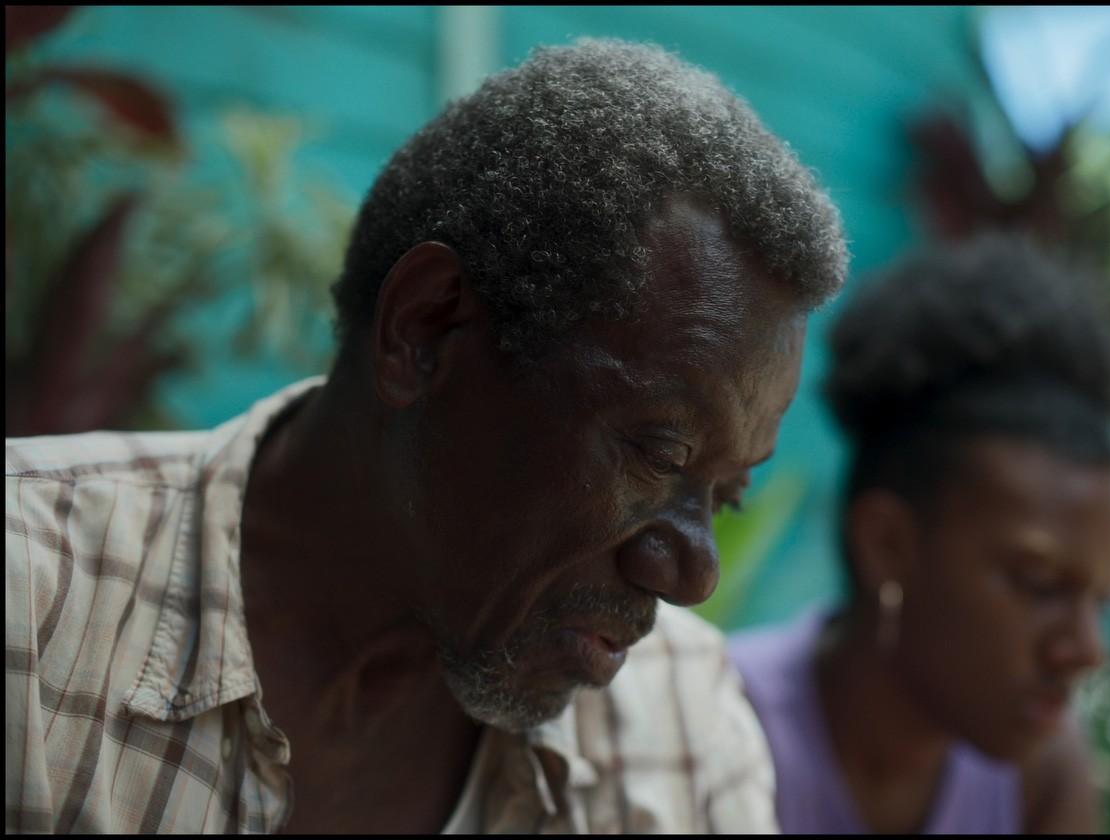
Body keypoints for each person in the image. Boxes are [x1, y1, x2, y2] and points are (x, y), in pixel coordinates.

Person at [5, 37, 848, 833]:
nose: (696, 576)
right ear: (427, 325)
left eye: (726, 497)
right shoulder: (34, 613)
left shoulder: (684, 726)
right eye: (662, 453)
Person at [729, 232, 1110, 834]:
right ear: (887, 545)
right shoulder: (716, 728)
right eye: (1040, 584)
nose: (1087, 649)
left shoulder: (1042, 773)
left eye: (1099, 599)